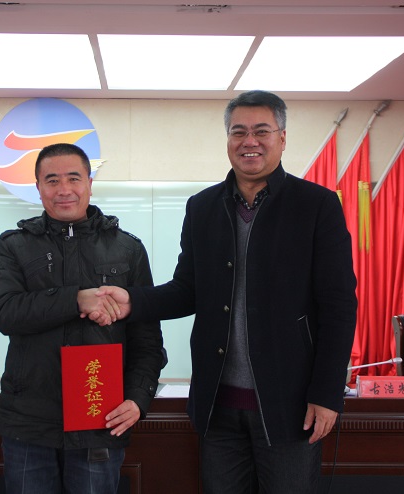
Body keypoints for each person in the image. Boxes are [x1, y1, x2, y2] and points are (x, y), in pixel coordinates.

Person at [87, 90, 357, 493]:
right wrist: (134, 301)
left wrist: (327, 392)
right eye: (239, 132)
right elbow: (187, 290)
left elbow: (339, 307)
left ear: (282, 138)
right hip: (218, 407)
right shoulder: (203, 207)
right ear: (228, 139)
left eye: (262, 131)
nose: (250, 141)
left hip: (291, 405)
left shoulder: (316, 205)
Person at [0, 142, 165, 494]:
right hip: (29, 422)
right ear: (38, 187)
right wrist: (76, 299)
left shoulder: (127, 248)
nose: (64, 189)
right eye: (52, 180)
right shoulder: (15, 245)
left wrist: (138, 398)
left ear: (89, 183)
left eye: (74, 178)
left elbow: (147, 340)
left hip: (99, 417)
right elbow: (6, 312)